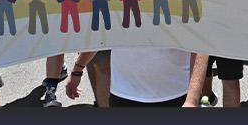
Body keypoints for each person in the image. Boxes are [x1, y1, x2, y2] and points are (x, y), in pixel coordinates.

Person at [68, 45, 207, 107]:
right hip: (123, 94)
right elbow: (101, 36)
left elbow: (200, 44)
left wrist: (192, 100)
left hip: (175, 94)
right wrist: (77, 69)